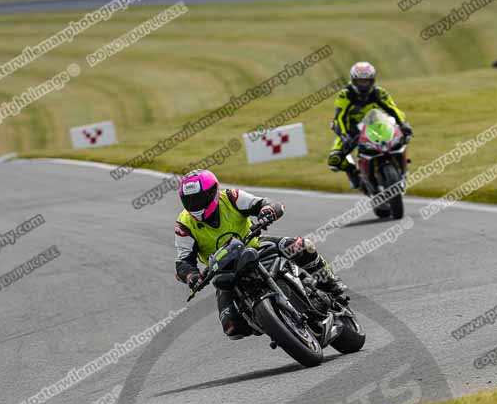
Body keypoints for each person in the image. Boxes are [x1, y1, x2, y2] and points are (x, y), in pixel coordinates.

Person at [174, 169, 346, 340]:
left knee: (301, 246)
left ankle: (330, 282)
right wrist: (191, 276)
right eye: (189, 201)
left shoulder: (231, 197)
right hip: (223, 270)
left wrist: (268, 211)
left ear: (214, 192)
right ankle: (264, 320)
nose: (195, 204)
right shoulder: (184, 225)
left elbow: (267, 203)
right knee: (232, 328)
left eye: (199, 198)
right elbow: (183, 261)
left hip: (254, 246)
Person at [328, 61, 413, 189]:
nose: (364, 85)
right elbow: (339, 117)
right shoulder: (345, 95)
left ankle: (402, 169)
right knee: (334, 160)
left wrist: (404, 125)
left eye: (367, 81)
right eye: (360, 81)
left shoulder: (379, 93)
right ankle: (353, 172)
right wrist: (344, 135)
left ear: (372, 80)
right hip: (352, 131)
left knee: (401, 140)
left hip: (376, 126)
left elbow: (394, 109)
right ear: (353, 81)